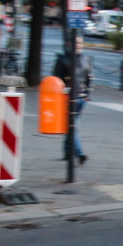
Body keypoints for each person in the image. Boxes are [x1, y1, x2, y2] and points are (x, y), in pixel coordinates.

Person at [52, 36, 93, 164]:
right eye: (76, 43)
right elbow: (56, 80)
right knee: (72, 126)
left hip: (81, 99)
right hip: (67, 98)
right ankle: (79, 154)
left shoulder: (86, 59)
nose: (79, 45)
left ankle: (67, 152)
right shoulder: (63, 59)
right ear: (70, 44)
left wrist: (87, 95)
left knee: (70, 126)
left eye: (80, 43)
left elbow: (89, 78)